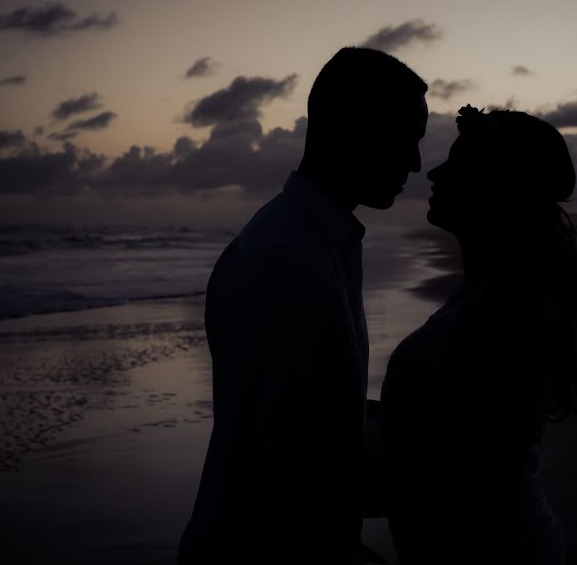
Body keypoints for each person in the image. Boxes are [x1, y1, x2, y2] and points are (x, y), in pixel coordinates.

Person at [177, 47, 428, 564]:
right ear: (354, 128)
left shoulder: (321, 243)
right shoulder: (283, 260)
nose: (416, 163)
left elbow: (315, 414)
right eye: (407, 139)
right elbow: (266, 463)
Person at [381, 105, 577, 564]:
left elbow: (478, 470)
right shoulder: (490, 289)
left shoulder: (511, 305)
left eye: (457, 163)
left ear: (496, 185)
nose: (435, 173)